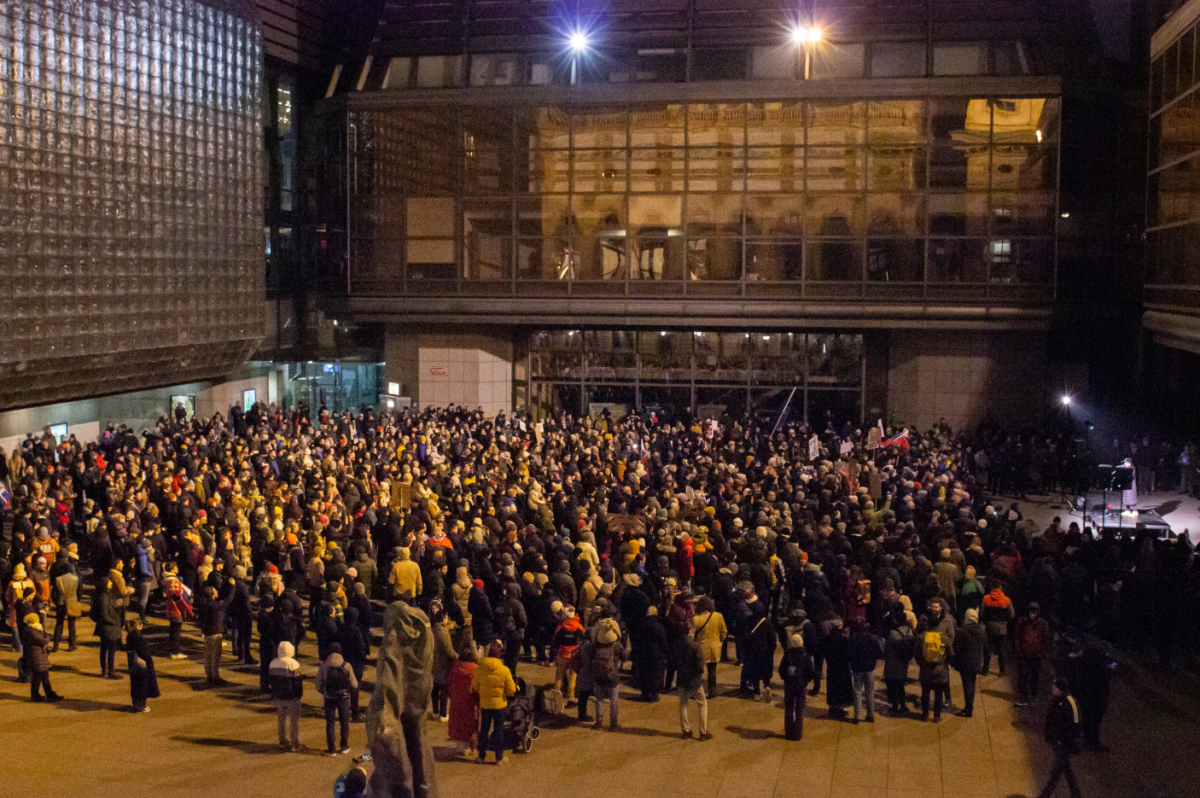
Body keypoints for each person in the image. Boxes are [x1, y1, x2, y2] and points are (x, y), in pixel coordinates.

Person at [1036, 678, 1083, 798]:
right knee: (1067, 769)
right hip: (1058, 742)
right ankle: (1076, 794)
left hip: (1065, 744)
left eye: (1054, 686)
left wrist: (1069, 741)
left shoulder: (1070, 702)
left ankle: (1045, 795)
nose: (1052, 688)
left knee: (1055, 772)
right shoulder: (1057, 699)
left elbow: (1076, 724)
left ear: (1060, 689)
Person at [471, 640, 516, 765]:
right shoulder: (504, 670)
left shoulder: (480, 668)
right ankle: (499, 757)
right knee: (498, 730)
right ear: (499, 655)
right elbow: (511, 690)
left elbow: (475, 686)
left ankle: (481, 756)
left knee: (484, 730)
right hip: (500, 705)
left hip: (485, 705)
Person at [916, 599, 954, 722]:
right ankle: (936, 716)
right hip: (940, 670)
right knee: (938, 694)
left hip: (925, 669)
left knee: (925, 693)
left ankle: (925, 715)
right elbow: (951, 653)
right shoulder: (944, 638)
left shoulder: (921, 637)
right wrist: (945, 662)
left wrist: (921, 663)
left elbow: (916, 653)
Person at [317, 642, 357, 755]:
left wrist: (324, 691)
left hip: (329, 697)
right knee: (344, 722)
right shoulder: (346, 665)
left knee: (330, 723)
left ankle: (331, 749)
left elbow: (318, 683)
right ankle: (344, 746)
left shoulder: (324, 666)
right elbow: (354, 684)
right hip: (344, 697)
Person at [269, 640, 305, 752]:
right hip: (292, 697)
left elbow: (271, 681)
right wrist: (299, 695)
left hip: (279, 696)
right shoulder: (293, 664)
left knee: (281, 719)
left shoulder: (273, 663)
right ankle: (294, 744)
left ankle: (282, 741)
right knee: (293, 721)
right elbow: (297, 682)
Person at [1014, 602, 1051, 707]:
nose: (1033, 615)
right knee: (1023, 677)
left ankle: (1034, 697)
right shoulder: (1022, 622)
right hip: (1023, 655)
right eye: (1031, 612)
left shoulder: (1042, 624)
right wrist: (1019, 652)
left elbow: (1046, 639)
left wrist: (1041, 653)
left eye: (1035, 613)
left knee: (1035, 677)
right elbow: (1016, 637)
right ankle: (1024, 697)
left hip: (1036, 656)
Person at [590, 617, 624, 731]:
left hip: (598, 675)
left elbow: (591, 656)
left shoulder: (596, 644)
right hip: (612, 676)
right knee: (613, 700)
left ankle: (599, 723)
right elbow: (624, 656)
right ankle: (613, 724)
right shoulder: (616, 645)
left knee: (599, 699)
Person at [447, 639, 480, 757]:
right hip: (469, 700)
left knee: (457, 722)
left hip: (456, 700)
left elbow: (449, 684)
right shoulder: (475, 669)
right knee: (470, 723)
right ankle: (470, 746)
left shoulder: (455, 667)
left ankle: (461, 747)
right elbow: (476, 686)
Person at [779, 633, 815, 740]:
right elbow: (811, 673)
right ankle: (797, 733)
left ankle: (788, 733)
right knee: (799, 709)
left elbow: (781, 670)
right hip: (801, 686)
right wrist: (805, 680)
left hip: (789, 685)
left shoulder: (787, 655)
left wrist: (786, 679)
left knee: (789, 708)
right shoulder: (805, 656)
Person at [20, 612, 61, 702]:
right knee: (37, 677)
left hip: (39, 655)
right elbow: (43, 640)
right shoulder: (31, 631)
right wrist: (47, 635)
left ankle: (49, 694)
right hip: (36, 656)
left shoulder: (33, 629)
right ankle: (35, 695)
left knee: (44, 676)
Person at [848, 621, 883, 723]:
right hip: (869, 668)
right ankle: (871, 715)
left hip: (857, 669)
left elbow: (849, 654)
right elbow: (879, 653)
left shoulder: (853, 639)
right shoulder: (872, 638)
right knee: (870, 692)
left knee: (857, 692)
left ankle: (857, 716)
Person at [676, 628, 708, 739]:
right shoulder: (696, 646)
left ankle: (686, 731)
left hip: (681, 679)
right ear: (689, 632)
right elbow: (699, 666)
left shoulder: (677, 645)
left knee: (683, 705)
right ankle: (703, 732)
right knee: (702, 704)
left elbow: (673, 661)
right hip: (694, 680)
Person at [692, 596, 727, 697]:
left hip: (701, 648)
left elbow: (692, 634)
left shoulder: (697, 619)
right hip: (715, 648)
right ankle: (712, 691)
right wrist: (719, 642)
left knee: (697, 671)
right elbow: (724, 632)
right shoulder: (718, 616)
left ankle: (697, 692)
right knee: (712, 670)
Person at [954, 608, 986, 718]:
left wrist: (955, 662)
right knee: (972, 685)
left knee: (967, 686)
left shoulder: (962, 631)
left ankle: (968, 709)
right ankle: (969, 706)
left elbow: (957, 649)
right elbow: (986, 647)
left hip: (965, 663)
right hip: (976, 662)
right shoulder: (982, 630)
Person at [91, 575, 123, 679]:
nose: (111, 583)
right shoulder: (103, 597)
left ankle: (105, 671)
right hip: (108, 628)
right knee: (110, 650)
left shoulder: (104, 595)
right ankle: (110, 671)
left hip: (106, 628)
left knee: (104, 649)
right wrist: (113, 622)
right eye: (109, 582)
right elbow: (104, 614)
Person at [430, 601, 457, 722]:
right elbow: (449, 651)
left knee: (436, 688)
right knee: (444, 690)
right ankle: (443, 714)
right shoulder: (443, 633)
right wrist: (458, 657)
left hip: (435, 662)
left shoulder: (434, 629)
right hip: (443, 664)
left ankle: (435, 711)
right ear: (444, 618)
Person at [980, 579, 1014, 676]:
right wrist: (1005, 621)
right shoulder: (1007, 600)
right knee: (1001, 650)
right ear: (1000, 587)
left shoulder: (986, 598)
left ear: (992, 587)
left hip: (989, 627)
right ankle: (1002, 671)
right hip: (1002, 628)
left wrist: (986, 621)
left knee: (987, 649)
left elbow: (981, 613)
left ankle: (985, 670)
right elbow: (1012, 615)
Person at [126, 617, 159, 713]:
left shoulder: (129, 636)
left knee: (135, 684)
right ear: (139, 626)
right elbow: (144, 653)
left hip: (132, 664)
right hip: (141, 665)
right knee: (142, 685)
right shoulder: (138, 637)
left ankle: (136, 704)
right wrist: (150, 662)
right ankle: (141, 705)